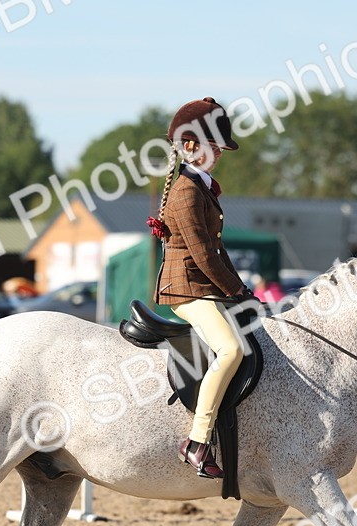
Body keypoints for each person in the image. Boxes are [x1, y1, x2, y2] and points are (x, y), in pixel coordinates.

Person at [147, 97, 250, 480]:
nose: (219, 154)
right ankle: (198, 440)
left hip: (201, 285)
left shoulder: (200, 186)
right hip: (186, 288)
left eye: (221, 149)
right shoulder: (188, 192)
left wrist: (241, 291)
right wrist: (237, 291)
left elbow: (216, 251)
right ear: (191, 146)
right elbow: (204, 253)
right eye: (214, 147)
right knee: (231, 349)